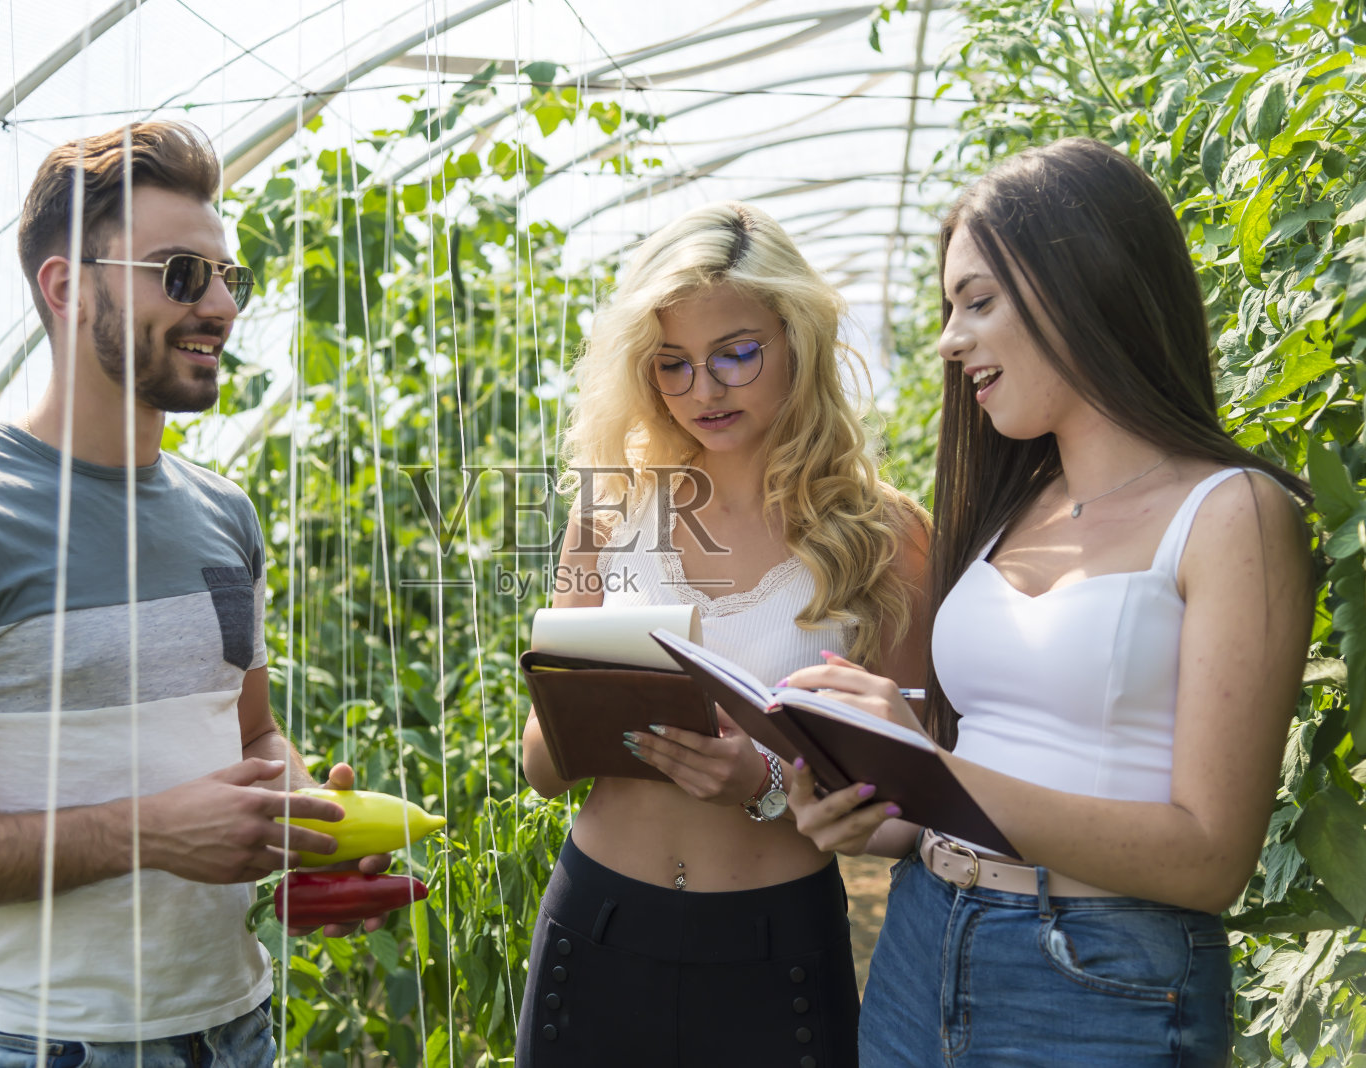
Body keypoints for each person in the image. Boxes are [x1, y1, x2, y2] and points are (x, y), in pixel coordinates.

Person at [0, 121, 386, 1064]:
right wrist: (149, 835)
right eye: (178, 274)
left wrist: (301, 822)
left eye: (225, 278)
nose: (219, 306)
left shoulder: (223, 513)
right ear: (67, 287)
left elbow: (250, 731)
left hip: (238, 1031)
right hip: (39, 1043)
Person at [783, 137, 1314, 1067]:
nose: (950, 340)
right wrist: (880, 809)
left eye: (977, 302)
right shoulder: (1004, 512)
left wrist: (932, 774)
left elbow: (1210, 857)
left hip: (1098, 982)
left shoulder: (1231, 515)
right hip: (922, 944)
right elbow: (985, 772)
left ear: (1084, 284)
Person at [516, 201, 929, 1068]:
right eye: (673, 365)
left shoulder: (885, 538)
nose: (705, 390)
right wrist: (592, 706)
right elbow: (540, 768)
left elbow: (907, 805)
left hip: (774, 947)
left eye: (737, 354)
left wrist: (765, 780)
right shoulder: (611, 511)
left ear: (798, 340)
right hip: (598, 925)